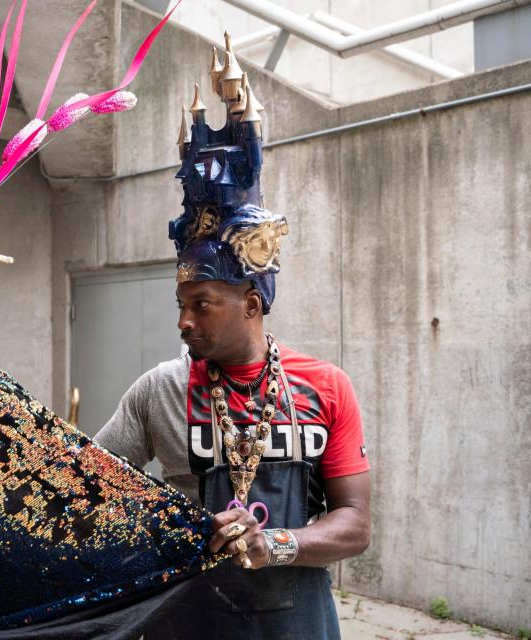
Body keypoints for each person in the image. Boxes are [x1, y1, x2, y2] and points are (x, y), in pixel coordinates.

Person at [95, 39, 371, 640]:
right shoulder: (159, 392)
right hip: (188, 624)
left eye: (201, 304)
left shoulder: (324, 387)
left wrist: (277, 544)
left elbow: (354, 524)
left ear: (250, 303)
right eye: (180, 305)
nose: (183, 321)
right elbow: (90, 489)